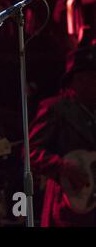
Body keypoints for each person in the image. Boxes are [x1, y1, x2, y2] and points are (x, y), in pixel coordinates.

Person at [29, 45, 96, 227]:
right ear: (77, 81)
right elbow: (30, 152)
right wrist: (63, 167)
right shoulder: (56, 110)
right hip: (68, 206)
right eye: (91, 77)